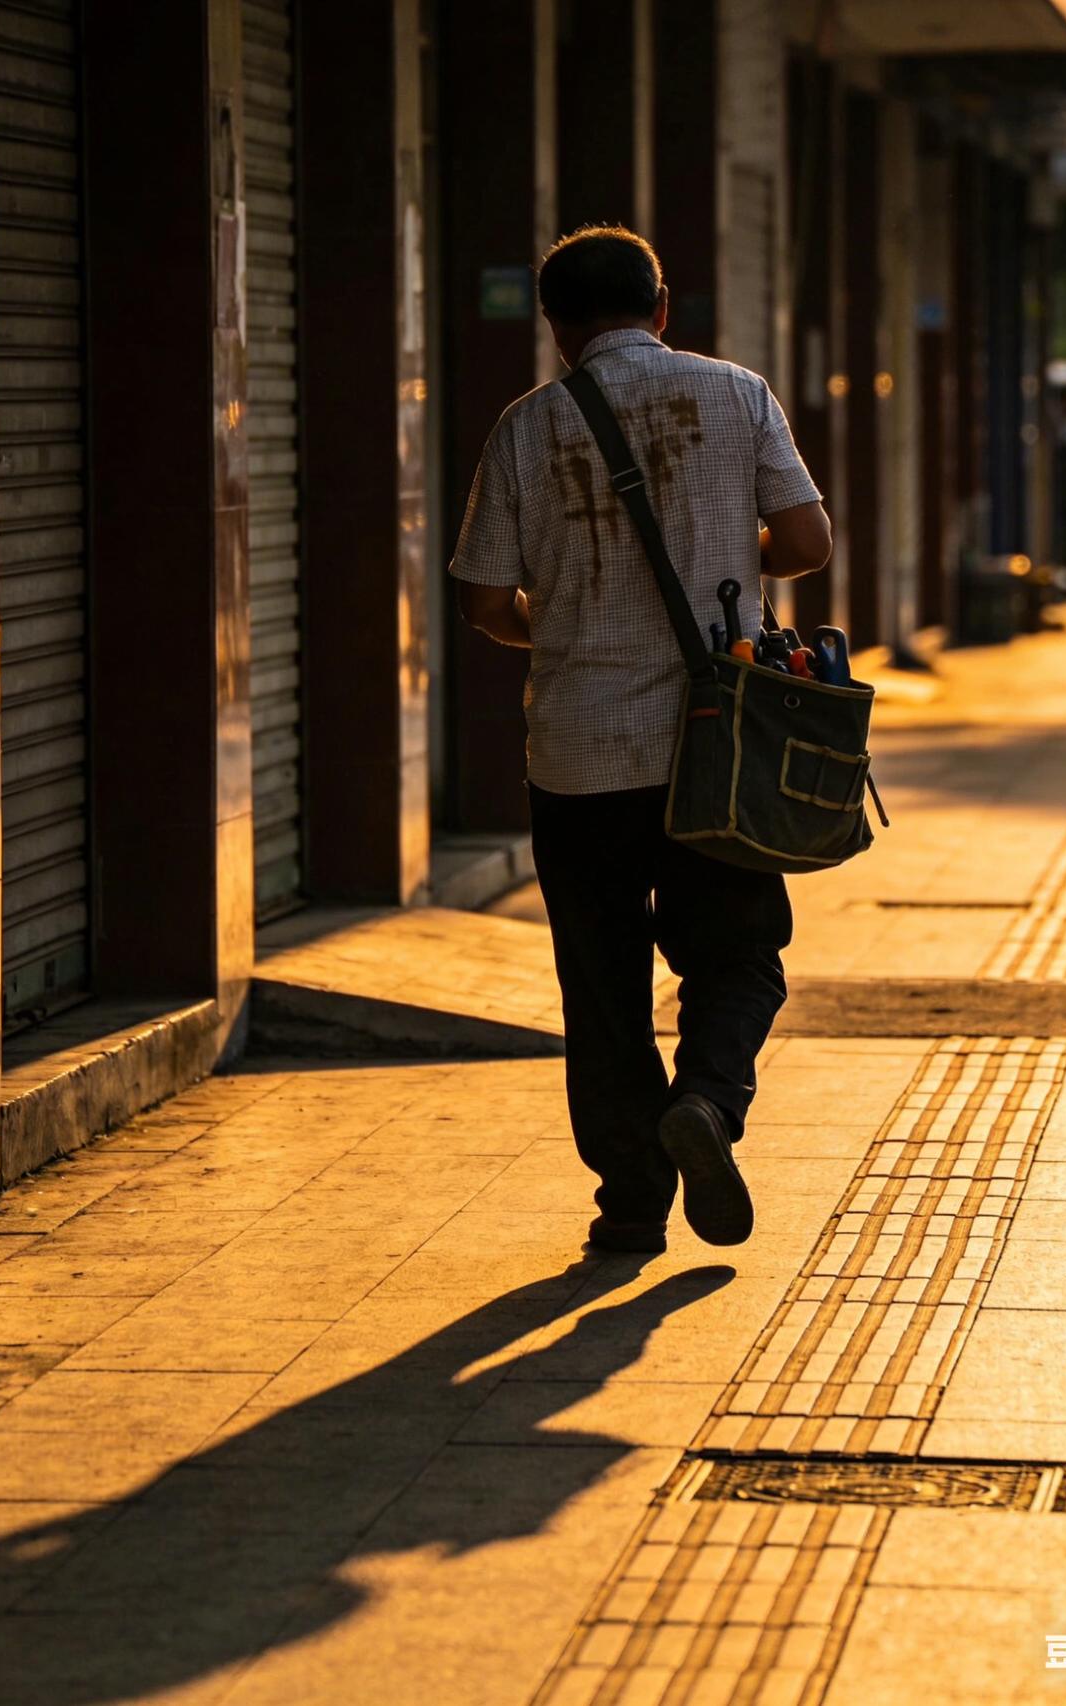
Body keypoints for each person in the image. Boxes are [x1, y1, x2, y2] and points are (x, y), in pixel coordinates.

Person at [449, 226, 830, 1255]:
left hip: (576, 754)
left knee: (600, 976)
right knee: (738, 952)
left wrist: (561, 620)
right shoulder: (736, 393)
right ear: (662, 309)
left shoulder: (524, 427)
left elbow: (485, 596)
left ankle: (627, 1204)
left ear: (555, 328)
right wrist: (720, 552)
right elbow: (803, 543)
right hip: (717, 753)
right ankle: (705, 1098)